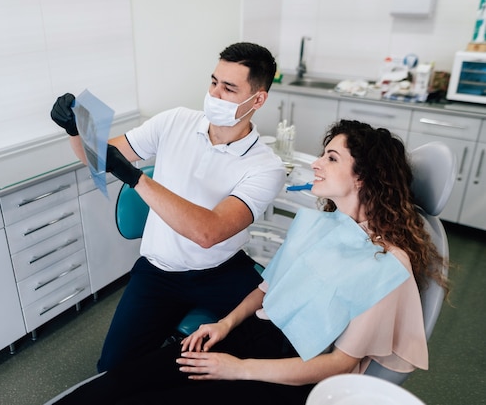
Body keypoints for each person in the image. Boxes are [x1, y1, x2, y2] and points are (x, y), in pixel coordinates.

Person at [50, 119, 450, 405]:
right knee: (118, 382)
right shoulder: (324, 224)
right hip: (251, 338)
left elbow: (338, 364)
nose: (316, 163)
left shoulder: (388, 266)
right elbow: (266, 289)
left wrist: (236, 369)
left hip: (290, 375)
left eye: (330, 158)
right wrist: (223, 325)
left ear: (364, 176)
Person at [50, 42, 286, 372]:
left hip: (221, 268)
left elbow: (209, 232)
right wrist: (76, 129)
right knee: (112, 370)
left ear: (258, 99)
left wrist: (135, 178)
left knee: (280, 343)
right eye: (214, 81)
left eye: (229, 88)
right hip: (159, 271)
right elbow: (101, 158)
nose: (215, 94)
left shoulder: (265, 166)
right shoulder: (176, 121)